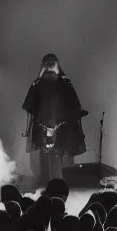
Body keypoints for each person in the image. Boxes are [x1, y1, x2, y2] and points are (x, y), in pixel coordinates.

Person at [22, 54, 88, 182]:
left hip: (59, 125)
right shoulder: (38, 84)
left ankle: (56, 184)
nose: (50, 66)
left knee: (56, 155)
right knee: (45, 155)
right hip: (42, 124)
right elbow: (31, 106)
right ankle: (48, 183)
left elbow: (73, 102)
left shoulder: (63, 83)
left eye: (52, 63)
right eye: (48, 63)